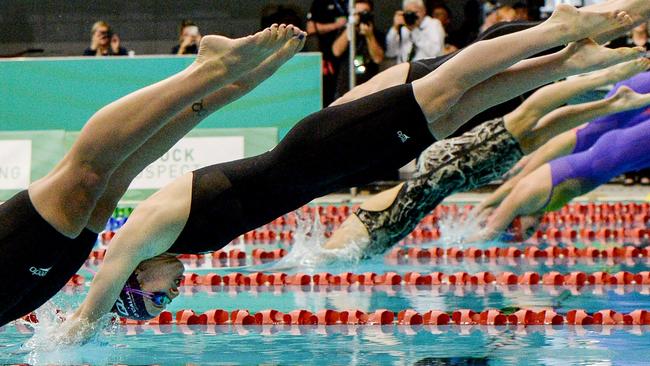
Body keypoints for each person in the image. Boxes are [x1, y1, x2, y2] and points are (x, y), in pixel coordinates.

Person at [58, 5, 639, 338]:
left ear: (136, 279)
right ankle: (564, 62)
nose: (174, 297)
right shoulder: (174, 242)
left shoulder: (150, 229)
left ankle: (553, 31)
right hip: (332, 167)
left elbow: (98, 286)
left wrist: (83, 322)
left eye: (157, 300)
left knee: (445, 88)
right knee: (455, 108)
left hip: (318, 154)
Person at [0, 24, 307, 328]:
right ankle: (223, 78)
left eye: (160, 299)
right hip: (17, 301)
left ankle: (208, 69)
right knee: (112, 180)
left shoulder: (134, 253)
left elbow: (85, 320)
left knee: (85, 178)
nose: (172, 294)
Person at [322, 59, 650, 255]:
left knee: (542, 121)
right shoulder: (512, 162)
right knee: (541, 121)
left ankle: (589, 81)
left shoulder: (512, 162)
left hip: (454, 159)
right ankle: (590, 82)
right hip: (453, 158)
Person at [473, 70, 650, 238]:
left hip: (610, 144)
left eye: (528, 230)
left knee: (590, 131)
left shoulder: (526, 194)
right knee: (593, 130)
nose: (537, 228)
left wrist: (483, 211)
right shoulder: (538, 199)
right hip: (614, 146)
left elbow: (493, 224)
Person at [332, 0, 385, 97]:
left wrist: (369, 36)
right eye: (357, 13)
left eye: (364, 13)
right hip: (346, 88)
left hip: (368, 89)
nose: (360, 16)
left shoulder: (376, 34)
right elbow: (336, 51)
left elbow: (378, 58)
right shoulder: (346, 31)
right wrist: (351, 26)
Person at [306, 0, 348, 105]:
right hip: (327, 58)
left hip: (347, 58)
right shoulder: (321, 3)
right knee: (327, 93)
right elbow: (310, 28)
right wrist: (336, 25)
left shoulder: (352, 3)